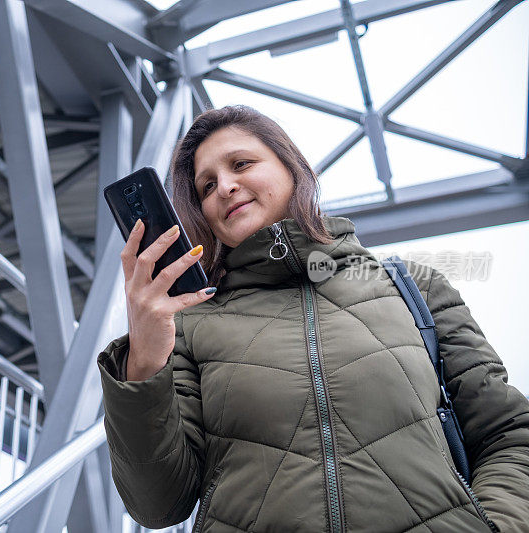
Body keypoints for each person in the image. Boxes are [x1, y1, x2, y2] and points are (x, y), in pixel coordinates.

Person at [96, 105, 529, 532]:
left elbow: (508, 434)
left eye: (241, 164)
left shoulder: (413, 288)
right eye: (207, 187)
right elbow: (157, 505)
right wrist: (144, 362)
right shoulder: (192, 325)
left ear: (292, 167)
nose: (225, 187)